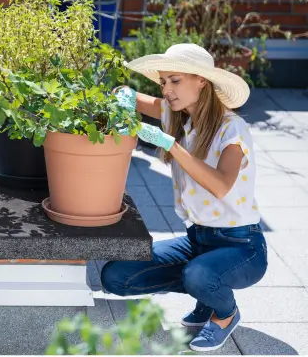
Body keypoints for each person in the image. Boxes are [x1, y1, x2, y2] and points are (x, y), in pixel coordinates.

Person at [105, 44, 268, 352]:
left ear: (202, 80)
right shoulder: (177, 116)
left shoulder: (232, 129)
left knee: (198, 274)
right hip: (198, 240)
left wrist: (173, 146)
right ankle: (206, 293)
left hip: (242, 247)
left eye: (175, 80)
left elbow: (220, 186)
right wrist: (121, 95)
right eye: (163, 82)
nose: (167, 90)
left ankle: (225, 314)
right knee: (117, 276)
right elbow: (127, 95)